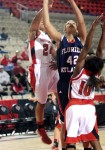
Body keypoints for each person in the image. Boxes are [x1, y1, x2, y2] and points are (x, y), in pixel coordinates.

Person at [43, 0, 86, 149]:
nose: (72, 23)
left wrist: (72, 2)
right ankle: (66, 146)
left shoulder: (81, 40)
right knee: (64, 118)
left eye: (73, 23)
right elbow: (47, 25)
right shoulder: (61, 40)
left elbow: (80, 20)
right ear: (65, 28)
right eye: (69, 23)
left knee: (79, 116)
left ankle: (81, 142)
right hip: (64, 83)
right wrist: (45, 2)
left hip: (78, 83)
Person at [64, 15, 105, 150]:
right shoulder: (96, 73)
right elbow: (100, 51)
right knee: (94, 140)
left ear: (87, 62)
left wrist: (93, 27)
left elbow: (86, 47)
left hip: (74, 106)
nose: (89, 55)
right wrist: (104, 30)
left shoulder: (78, 71)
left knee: (71, 142)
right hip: (89, 108)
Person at [28, 8, 59, 145]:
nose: (42, 22)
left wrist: (58, 62)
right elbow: (34, 24)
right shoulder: (33, 34)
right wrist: (44, 7)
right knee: (42, 101)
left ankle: (62, 117)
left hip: (51, 67)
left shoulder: (47, 37)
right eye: (40, 21)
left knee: (63, 90)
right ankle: (40, 128)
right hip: (38, 68)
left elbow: (53, 52)